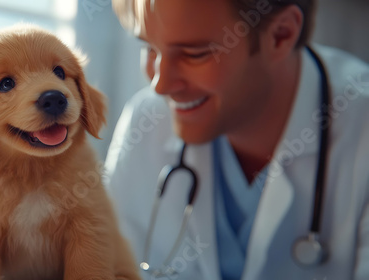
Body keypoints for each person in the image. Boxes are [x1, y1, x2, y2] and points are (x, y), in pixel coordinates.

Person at [104, 0, 369, 279]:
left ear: (281, 34)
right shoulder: (145, 121)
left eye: (195, 54)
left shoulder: (360, 127)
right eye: (150, 48)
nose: (161, 85)